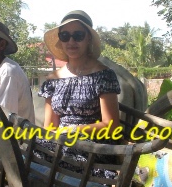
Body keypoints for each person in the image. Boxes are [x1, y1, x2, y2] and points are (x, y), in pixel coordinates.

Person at [38, 10, 121, 178]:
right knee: (32, 147)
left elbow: (111, 126)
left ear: (88, 38)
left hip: (92, 146)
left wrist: (75, 130)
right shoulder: (52, 80)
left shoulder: (103, 76)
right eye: (65, 36)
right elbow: (49, 127)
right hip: (60, 143)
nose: (71, 41)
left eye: (78, 35)